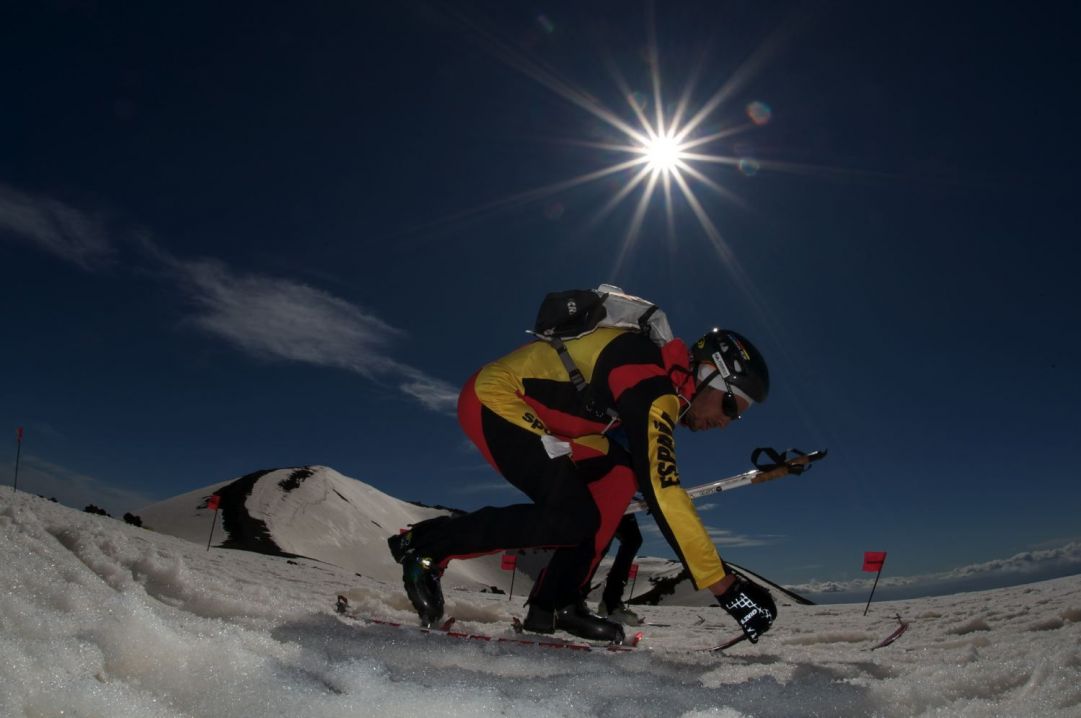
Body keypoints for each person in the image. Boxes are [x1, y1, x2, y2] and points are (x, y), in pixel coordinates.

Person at [387, 324, 777, 644]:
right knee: (573, 516)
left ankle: (557, 603)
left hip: (558, 428)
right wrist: (727, 588)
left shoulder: (658, 387)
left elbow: (644, 470)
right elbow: (665, 490)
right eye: (729, 406)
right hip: (498, 398)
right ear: (707, 372)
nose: (725, 422)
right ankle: (424, 548)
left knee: (619, 477)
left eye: (736, 417)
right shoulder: (649, 379)